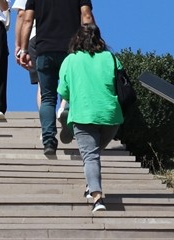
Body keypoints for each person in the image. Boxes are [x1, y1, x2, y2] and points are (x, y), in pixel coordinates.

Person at [15, 0, 94, 157]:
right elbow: (86, 17)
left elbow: (27, 21)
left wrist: (23, 49)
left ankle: (49, 140)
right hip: (72, 52)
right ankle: (70, 119)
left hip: (44, 51)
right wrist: (91, 43)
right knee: (74, 93)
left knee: (48, 97)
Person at [56, 24, 122, 213]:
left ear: (76, 39)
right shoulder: (111, 57)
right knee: (93, 153)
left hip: (83, 114)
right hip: (111, 115)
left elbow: (64, 91)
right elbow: (120, 83)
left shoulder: (70, 60)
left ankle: (97, 198)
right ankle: (91, 186)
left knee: (90, 156)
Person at [12, 0, 77, 104]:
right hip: (68, 36)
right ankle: (64, 109)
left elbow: (22, 15)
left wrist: (20, 46)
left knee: (43, 84)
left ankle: (45, 119)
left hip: (37, 38)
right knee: (68, 78)